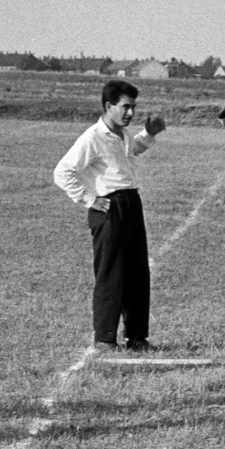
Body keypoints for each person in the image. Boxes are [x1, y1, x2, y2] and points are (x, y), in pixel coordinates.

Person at [54, 80, 167, 351]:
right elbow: (63, 172)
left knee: (138, 272)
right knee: (111, 273)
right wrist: (90, 199)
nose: (130, 113)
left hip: (131, 203)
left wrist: (148, 134)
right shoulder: (92, 137)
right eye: (125, 107)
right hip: (110, 208)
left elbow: (131, 152)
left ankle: (137, 337)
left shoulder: (121, 134)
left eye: (133, 107)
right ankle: (105, 338)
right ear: (108, 106)